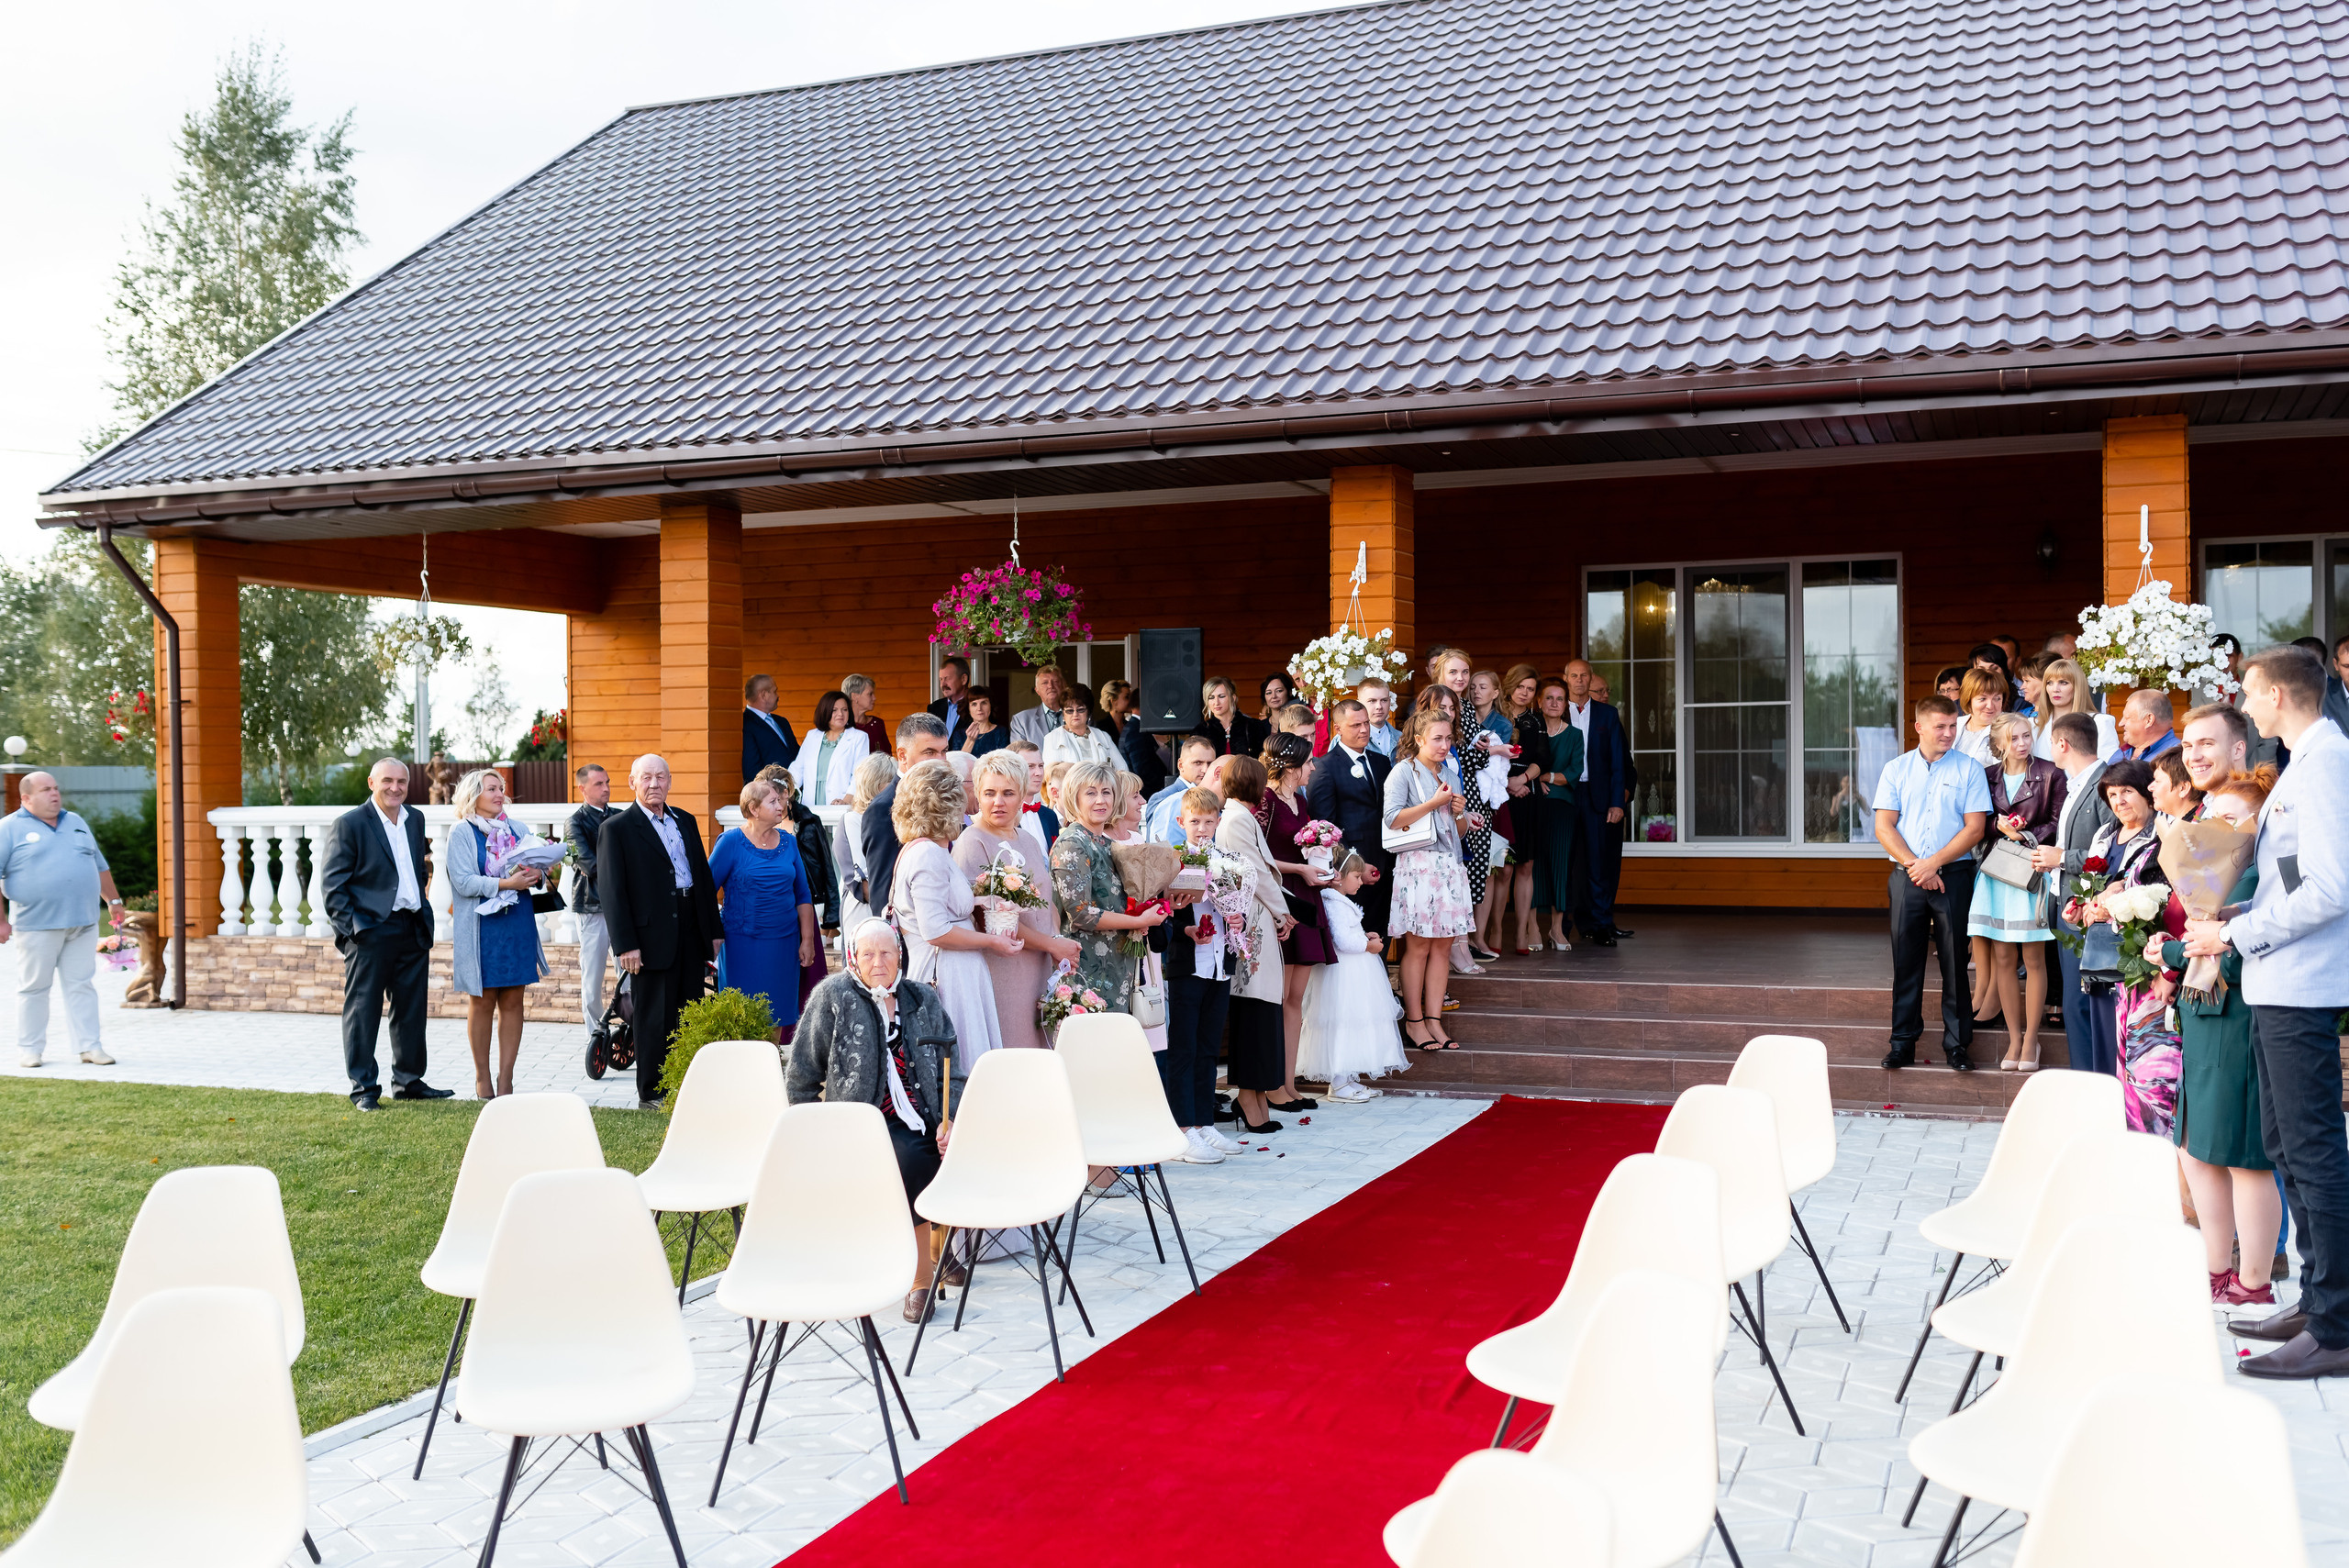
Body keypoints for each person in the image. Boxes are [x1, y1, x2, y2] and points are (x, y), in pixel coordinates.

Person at [2183, 645, 2349, 1377]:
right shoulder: (2301, 766)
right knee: (2288, 1149)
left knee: (2315, 1156)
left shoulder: (2327, 763)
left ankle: (2339, 1325)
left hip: (2301, 986)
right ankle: (2318, 1300)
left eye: (2250, 693)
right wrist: (2241, 906)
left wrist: (2236, 931)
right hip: (2276, 984)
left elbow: (2333, 889)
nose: (2245, 706)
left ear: (2280, 695)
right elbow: (2292, 880)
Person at [788, 919, 960, 1323]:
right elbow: (800, 1076)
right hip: (858, 1125)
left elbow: (952, 1069)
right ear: (853, 958)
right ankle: (922, 1278)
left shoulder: (922, 998)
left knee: (930, 1154)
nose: (878, 962)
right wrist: (815, 1136)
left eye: (887, 953)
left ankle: (933, 1259)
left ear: (901, 955)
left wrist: (950, 1118)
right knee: (906, 1163)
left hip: (919, 1119)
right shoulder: (833, 996)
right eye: (868, 954)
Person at [2161, 768, 2282, 1307]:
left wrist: (2166, 953)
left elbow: (2235, 948)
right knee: (2197, 1149)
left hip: (2241, 1017)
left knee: (2244, 1154)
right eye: (2214, 819)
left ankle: (2253, 1280)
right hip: (2202, 1013)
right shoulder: (2206, 872)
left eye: (2232, 819)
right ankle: (2214, 1268)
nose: (2220, 829)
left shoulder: (2262, 873)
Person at [320, 758, 449, 1107]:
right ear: (371, 782)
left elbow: (416, 870)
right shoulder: (349, 824)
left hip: (412, 925)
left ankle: (409, 1082)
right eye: (388, 781)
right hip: (370, 931)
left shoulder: (414, 819)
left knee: (411, 1010)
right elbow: (333, 887)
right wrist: (355, 931)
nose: (396, 788)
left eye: (402, 782)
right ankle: (364, 1089)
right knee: (363, 1011)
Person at [598, 753, 724, 1108]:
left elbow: (701, 876)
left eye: (660, 777)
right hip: (648, 937)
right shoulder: (617, 829)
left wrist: (712, 930)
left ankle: (686, 1084)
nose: (654, 784)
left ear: (669, 782)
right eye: (647, 778)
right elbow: (612, 892)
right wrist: (626, 945)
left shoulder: (684, 820)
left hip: (689, 926)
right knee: (654, 1016)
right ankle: (652, 1092)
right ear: (633, 783)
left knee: (689, 1008)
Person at [1874, 695, 1990, 1072]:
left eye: (1953, 726)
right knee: (1905, 961)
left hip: (1954, 876)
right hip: (1907, 876)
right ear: (1919, 727)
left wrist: (1935, 864)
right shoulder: (1895, 769)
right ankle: (1902, 1043)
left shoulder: (1969, 769)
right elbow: (1883, 825)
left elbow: (1975, 828)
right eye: (1940, 726)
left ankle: (1957, 1045)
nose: (1948, 733)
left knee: (1956, 962)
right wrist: (1916, 867)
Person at [2073, 760, 2182, 1136]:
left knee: (2141, 1059)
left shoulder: (2160, 837)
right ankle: (2109, 1129)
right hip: (2102, 957)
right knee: (2106, 1047)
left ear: (2147, 792)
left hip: (2141, 964)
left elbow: (2166, 895)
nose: (2119, 802)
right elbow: (2090, 884)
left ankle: (2144, 1135)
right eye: (2112, 795)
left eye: (2127, 793)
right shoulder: (2106, 832)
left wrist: (2116, 899)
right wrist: (2085, 906)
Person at [889, 760, 1017, 1072]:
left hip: (957, 973)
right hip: (947, 978)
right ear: (946, 802)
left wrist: (983, 899)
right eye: (965, 791)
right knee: (959, 1069)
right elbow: (935, 931)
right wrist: (992, 942)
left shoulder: (924, 849)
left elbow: (937, 907)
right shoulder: (927, 854)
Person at [953, 751, 1082, 1052]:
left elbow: (1046, 901)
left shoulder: (1028, 839)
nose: (998, 802)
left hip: (1039, 965)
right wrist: (1051, 945)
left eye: (1008, 793)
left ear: (1022, 794)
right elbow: (990, 919)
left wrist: (1057, 943)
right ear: (978, 794)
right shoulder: (972, 842)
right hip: (1003, 968)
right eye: (989, 793)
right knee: (1012, 1052)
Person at [2, 770, 124, 1070]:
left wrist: (115, 901)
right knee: (34, 987)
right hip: (36, 926)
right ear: (26, 798)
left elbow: (99, 865)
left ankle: (90, 1047)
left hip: (82, 923)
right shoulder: (8, 828)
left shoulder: (76, 822)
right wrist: (2, 921)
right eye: (45, 790)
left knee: (82, 985)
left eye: (55, 788)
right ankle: (30, 1050)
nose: (54, 794)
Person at [1965, 714, 2064, 1071]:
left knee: (2034, 960)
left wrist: (2026, 832)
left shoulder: (2052, 773)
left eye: (2026, 736)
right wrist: (1997, 824)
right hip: (1996, 872)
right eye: (2014, 738)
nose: (2022, 743)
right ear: (2000, 744)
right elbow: (1978, 819)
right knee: (2003, 960)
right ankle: (2014, 1039)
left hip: (2032, 872)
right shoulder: (1987, 775)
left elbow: (2057, 820)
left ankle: (2032, 1040)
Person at [447, 768, 551, 1101]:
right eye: (491, 788)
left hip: (516, 922)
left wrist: (537, 872)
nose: (499, 794)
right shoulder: (462, 833)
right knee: (482, 1000)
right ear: (472, 795)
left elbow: (535, 870)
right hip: (481, 927)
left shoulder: (517, 829)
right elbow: (463, 883)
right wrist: (507, 883)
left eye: (501, 789)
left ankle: (506, 1081)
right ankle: (482, 1079)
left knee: (513, 1001)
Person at [1385, 705, 1477, 1052]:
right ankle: (1414, 1021)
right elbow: (1392, 819)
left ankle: (1435, 1020)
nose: (1444, 745)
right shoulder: (1403, 772)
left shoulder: (1451, 776)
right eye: (1437, 739)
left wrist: (1461, 815)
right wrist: (1433, 803)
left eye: (1448, 738)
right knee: (1419, 946)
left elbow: (1456, 832)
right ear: (1419, 739)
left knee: (1443, 946)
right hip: (1417, 866)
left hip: (1448, 867)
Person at [2029, 714, 2118, 1073]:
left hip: (2088, 908)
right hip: (2066, 903)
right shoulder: (2075, 783)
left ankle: (2095, 1080)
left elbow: (2113, 850)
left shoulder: (2103, 784)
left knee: (2084, 1001)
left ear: (2062, 744)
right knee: (2075, 998)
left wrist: (2060, 857)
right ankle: (2085, 1077)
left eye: (2051, 743)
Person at [1160, 787, 1242, 1162]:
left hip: (1218, 964)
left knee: (1209, 1047)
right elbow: (1162, 912)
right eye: (1195, 821)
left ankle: (1204, 1121)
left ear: (1219, 821)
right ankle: (1182, 1127)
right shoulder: (1173, 860)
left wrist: (1237, 918)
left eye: (1210, 821)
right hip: (1187, 964)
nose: (1203, 828)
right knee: (1184, 1048)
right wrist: (1185, 929)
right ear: (1181, 822)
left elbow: (1234, 905)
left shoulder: (1227, 861)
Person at [1213, 756, 1293, 1131]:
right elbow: (1255, 873)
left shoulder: (1236, 816)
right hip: (1252, 924)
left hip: (1256, 921)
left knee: (1262, 1008)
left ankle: (1257, 1094)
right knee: (1254, 1008)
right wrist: (1282, 911)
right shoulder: (1236, 819)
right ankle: (1248, 1096)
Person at [708, 776, 818, 1040]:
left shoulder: (789, 842)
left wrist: (808, 940)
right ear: (754, 809)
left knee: (777, 1013)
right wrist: (711, 934)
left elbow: (803, 895)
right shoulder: (730, 842)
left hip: (783, 945)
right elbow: (705, 892)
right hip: (741, 946)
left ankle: (769, 1069)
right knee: (741, 1016)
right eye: (773, 801)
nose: (781, 805)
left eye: (781, 800)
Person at [1297, 851, 1410, 1103]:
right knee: (1344, 1023)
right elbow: (1343, 940)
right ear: (1337, 877)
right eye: (1357, 876)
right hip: (1343, 976)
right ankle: (1338, 1083)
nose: (1361, 882)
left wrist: (1365, 936)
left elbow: (1349, 935)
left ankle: (1348, 1078)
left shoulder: (1339, 901)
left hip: (1354, 973)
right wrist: (1368, 945)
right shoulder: (1334, 903)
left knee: (1355, 1023)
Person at [1262, 734, 1336, 1111]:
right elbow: (1256, 856)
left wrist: (1324, 869)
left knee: (1295, 999)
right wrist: (1299, 869)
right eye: (1308, 762)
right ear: (1290, 767)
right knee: (1276, 997)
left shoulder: (1301, 800)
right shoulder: (1265, 801)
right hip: (1280, 897)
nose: (1313, 767)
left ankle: (1289, 1083)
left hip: (1306, 894)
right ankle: (1271, 1083)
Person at [1306, 698, 1396, 938]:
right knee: (1355, 937)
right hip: (1350, 871)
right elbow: (1324, 828)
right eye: (1356, 725)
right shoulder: (1324, 767)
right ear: (1338, 729)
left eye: (1366, 723)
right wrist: (1354, 865)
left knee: (1380, 935)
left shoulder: (1381, 762)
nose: (1364, 730)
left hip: (1385, 865)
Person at [1562, 659, 1632, 946]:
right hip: (1565, 795)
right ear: (1566, 679)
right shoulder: (1555, 711)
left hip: (1598, 797)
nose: (1580, 680)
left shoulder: (1607, 714)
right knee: (1565, 863)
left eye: (1584, 676)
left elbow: (1619, 763)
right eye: (1574, 675)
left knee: (1598, 862)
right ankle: (1562, 927)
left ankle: (1602, 924)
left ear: (1591, 680)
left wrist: (1618, 802)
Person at [861, 713, 951, 922]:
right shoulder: (883, 808)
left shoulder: (946, 797)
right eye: (930, 752)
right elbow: (883, 891)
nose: (940, 761)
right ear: (902, 756)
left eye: (943, 752)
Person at [1518, 675, 1584, 951]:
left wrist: (1543, 776)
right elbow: (1518, 761)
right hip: (1531, 804)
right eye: (1549, 698)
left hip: (1562, 808)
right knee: (1533, 865)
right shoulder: (1529, 728)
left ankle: (1557, 928)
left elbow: (1574, 772)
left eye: (1560, 698)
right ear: (1539, 701)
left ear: (1566, 703)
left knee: (1559, 865)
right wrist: (1536, 780)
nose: (1554, 703)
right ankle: (1532, 926)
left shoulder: (1574, 735)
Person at [564, 762, 619, 1037]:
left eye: (607, 782)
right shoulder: (574, 823)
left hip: (623, 908)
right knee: (592, 977)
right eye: (599, 784)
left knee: (631, 974)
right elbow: (589, 864)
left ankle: (632, 1027)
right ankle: (597, 1035)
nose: (606, 788)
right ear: (582, 788)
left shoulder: (621, 817)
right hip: (592, 906)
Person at [831, 753, 900, 961]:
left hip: (892, 918)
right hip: (864, 917)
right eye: (890, 783)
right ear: (876, 785)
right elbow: (863, 884)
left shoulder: (895, 819)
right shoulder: (853, 820)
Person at [790, 690, 871, 808]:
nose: (840, 714)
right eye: (834, 710)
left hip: (840, 804)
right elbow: (798, 769)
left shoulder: (859, 737)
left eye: (845, 709)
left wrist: (847, 800)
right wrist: (786, 792)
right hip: (810, 804)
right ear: (824, 711)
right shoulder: (812, 736)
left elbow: (860, 774)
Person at [2033, 656, 2121, 761]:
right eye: (2050, 683)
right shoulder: (2032, 726)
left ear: (2077, 687)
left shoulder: (2100, 723)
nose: (2055, 689)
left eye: (2063, 682)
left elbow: (2109, 768)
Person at [1147, 734, 1219, 843]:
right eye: (1197, 763)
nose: (1205, 769)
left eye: (1210, 763)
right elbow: (1156, 846)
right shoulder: (1163, 798)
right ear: (1180, 765)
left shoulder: (1215, 795)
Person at [2180, 702, 2252, 798]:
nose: (2193, 757)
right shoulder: (2208, 804)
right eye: (2188, 746)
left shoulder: (2259, 808)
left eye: (2206, 744)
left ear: (2238, 750)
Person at [1192, 675, 1270, 759]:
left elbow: (1264, 760)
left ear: (1233, 698)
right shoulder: (1200, 731)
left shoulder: (1254, 726)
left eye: (1221, 696)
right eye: (1211, 698)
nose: (1216, 702)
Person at [1041, 691, 1120, 771]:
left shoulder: (1103, 736)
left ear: (1088, 713)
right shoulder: (1052, 738)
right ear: (1063, 714)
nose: (1075, 714)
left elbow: (1122, 769)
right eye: (1070, 710)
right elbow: (1050, 774)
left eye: (1080, 710)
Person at [741, 674, 799, 783]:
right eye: (774, 691)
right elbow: (751, 770)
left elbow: (797, 755)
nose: (778, 696)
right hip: (769, 794)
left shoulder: (782, 722)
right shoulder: (745, 724)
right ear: (763, 695)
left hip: (793, 790)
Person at [1010, 740, 1060, 856]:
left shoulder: (1050, 816)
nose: (1038, 773)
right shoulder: (1003, 816)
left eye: (1041, 766)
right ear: (1012, 770)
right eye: (1030, 766)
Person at [1009, 666, 1073, 750]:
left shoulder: (1079, 714)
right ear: (1037, 691)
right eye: (1045, 683)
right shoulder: (1021, 720)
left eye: (1056, 681)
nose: (1050, 686)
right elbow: (1019, 756)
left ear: (1064, 686)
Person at [2110, 687, 2180, 763]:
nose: (2120, 723)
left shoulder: (2177, 756)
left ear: (2149, 720)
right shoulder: (2123, 751)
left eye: (2127, 717)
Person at [1953, 667, 2006, 763]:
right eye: (1983, 699)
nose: (1990, 706)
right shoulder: (1956, 723)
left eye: (1997, 698)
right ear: (1968, 699)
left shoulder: (2009, 729)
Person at [928, 656, 974, 749]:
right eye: (941, 679)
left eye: (947, 678)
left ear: (963, 679)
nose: (943, 684)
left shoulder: (977, 706)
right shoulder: (934, 708)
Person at [842, 673, 887, 754]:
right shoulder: (841, 726)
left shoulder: (877, 724)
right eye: (870, 694)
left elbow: (887, 757)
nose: (874, 698)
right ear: (855, 696)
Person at [954, 690, 1008, 757]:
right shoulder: (959, 735)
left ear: (991, 705)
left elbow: (1004, 762)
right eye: (974, 704)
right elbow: (958, 763)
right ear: (968, 709)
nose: (979, 708)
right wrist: (969, 741)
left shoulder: (1002, 732)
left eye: (984, 703)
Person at [1358, 678, 1401, 757]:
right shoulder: (1346, 740)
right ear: (1359, 704)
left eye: (1384, 700)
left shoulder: (1402, 739)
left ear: (1389, 702)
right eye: (1372, 701)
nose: (1379, 706)